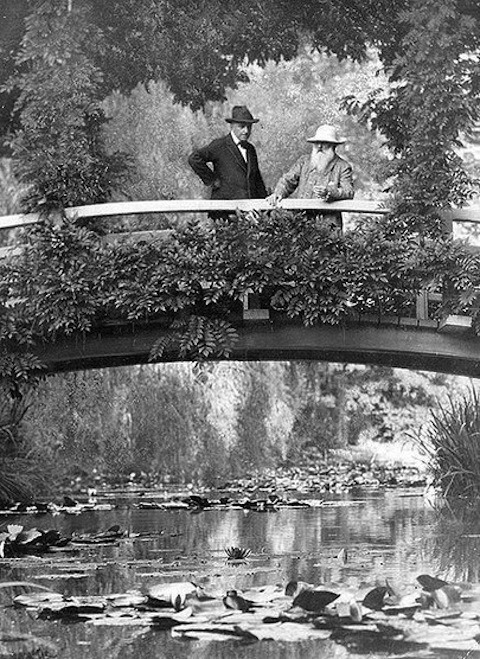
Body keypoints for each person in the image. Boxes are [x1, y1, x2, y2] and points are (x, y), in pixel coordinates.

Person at [267, 124, 354, 230]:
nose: (319, 146)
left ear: (333, 146)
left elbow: (348, 191)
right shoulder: (304, 161)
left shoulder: (343, 166)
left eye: (324, 143)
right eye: (317, 143)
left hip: (328, 225)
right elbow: (288, 180)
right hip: (301, 221)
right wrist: (278, 193)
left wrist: (330, 192)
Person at [188, 105, 268, 205]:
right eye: (242, 126)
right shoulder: (220, 145)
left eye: (249, 127)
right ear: (232, 126)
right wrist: (212, 180)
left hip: (248, 211)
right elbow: (194, 158)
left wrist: (266, 207)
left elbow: (257, 180)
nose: (246, 131)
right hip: (224, 210)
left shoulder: (250, 149)